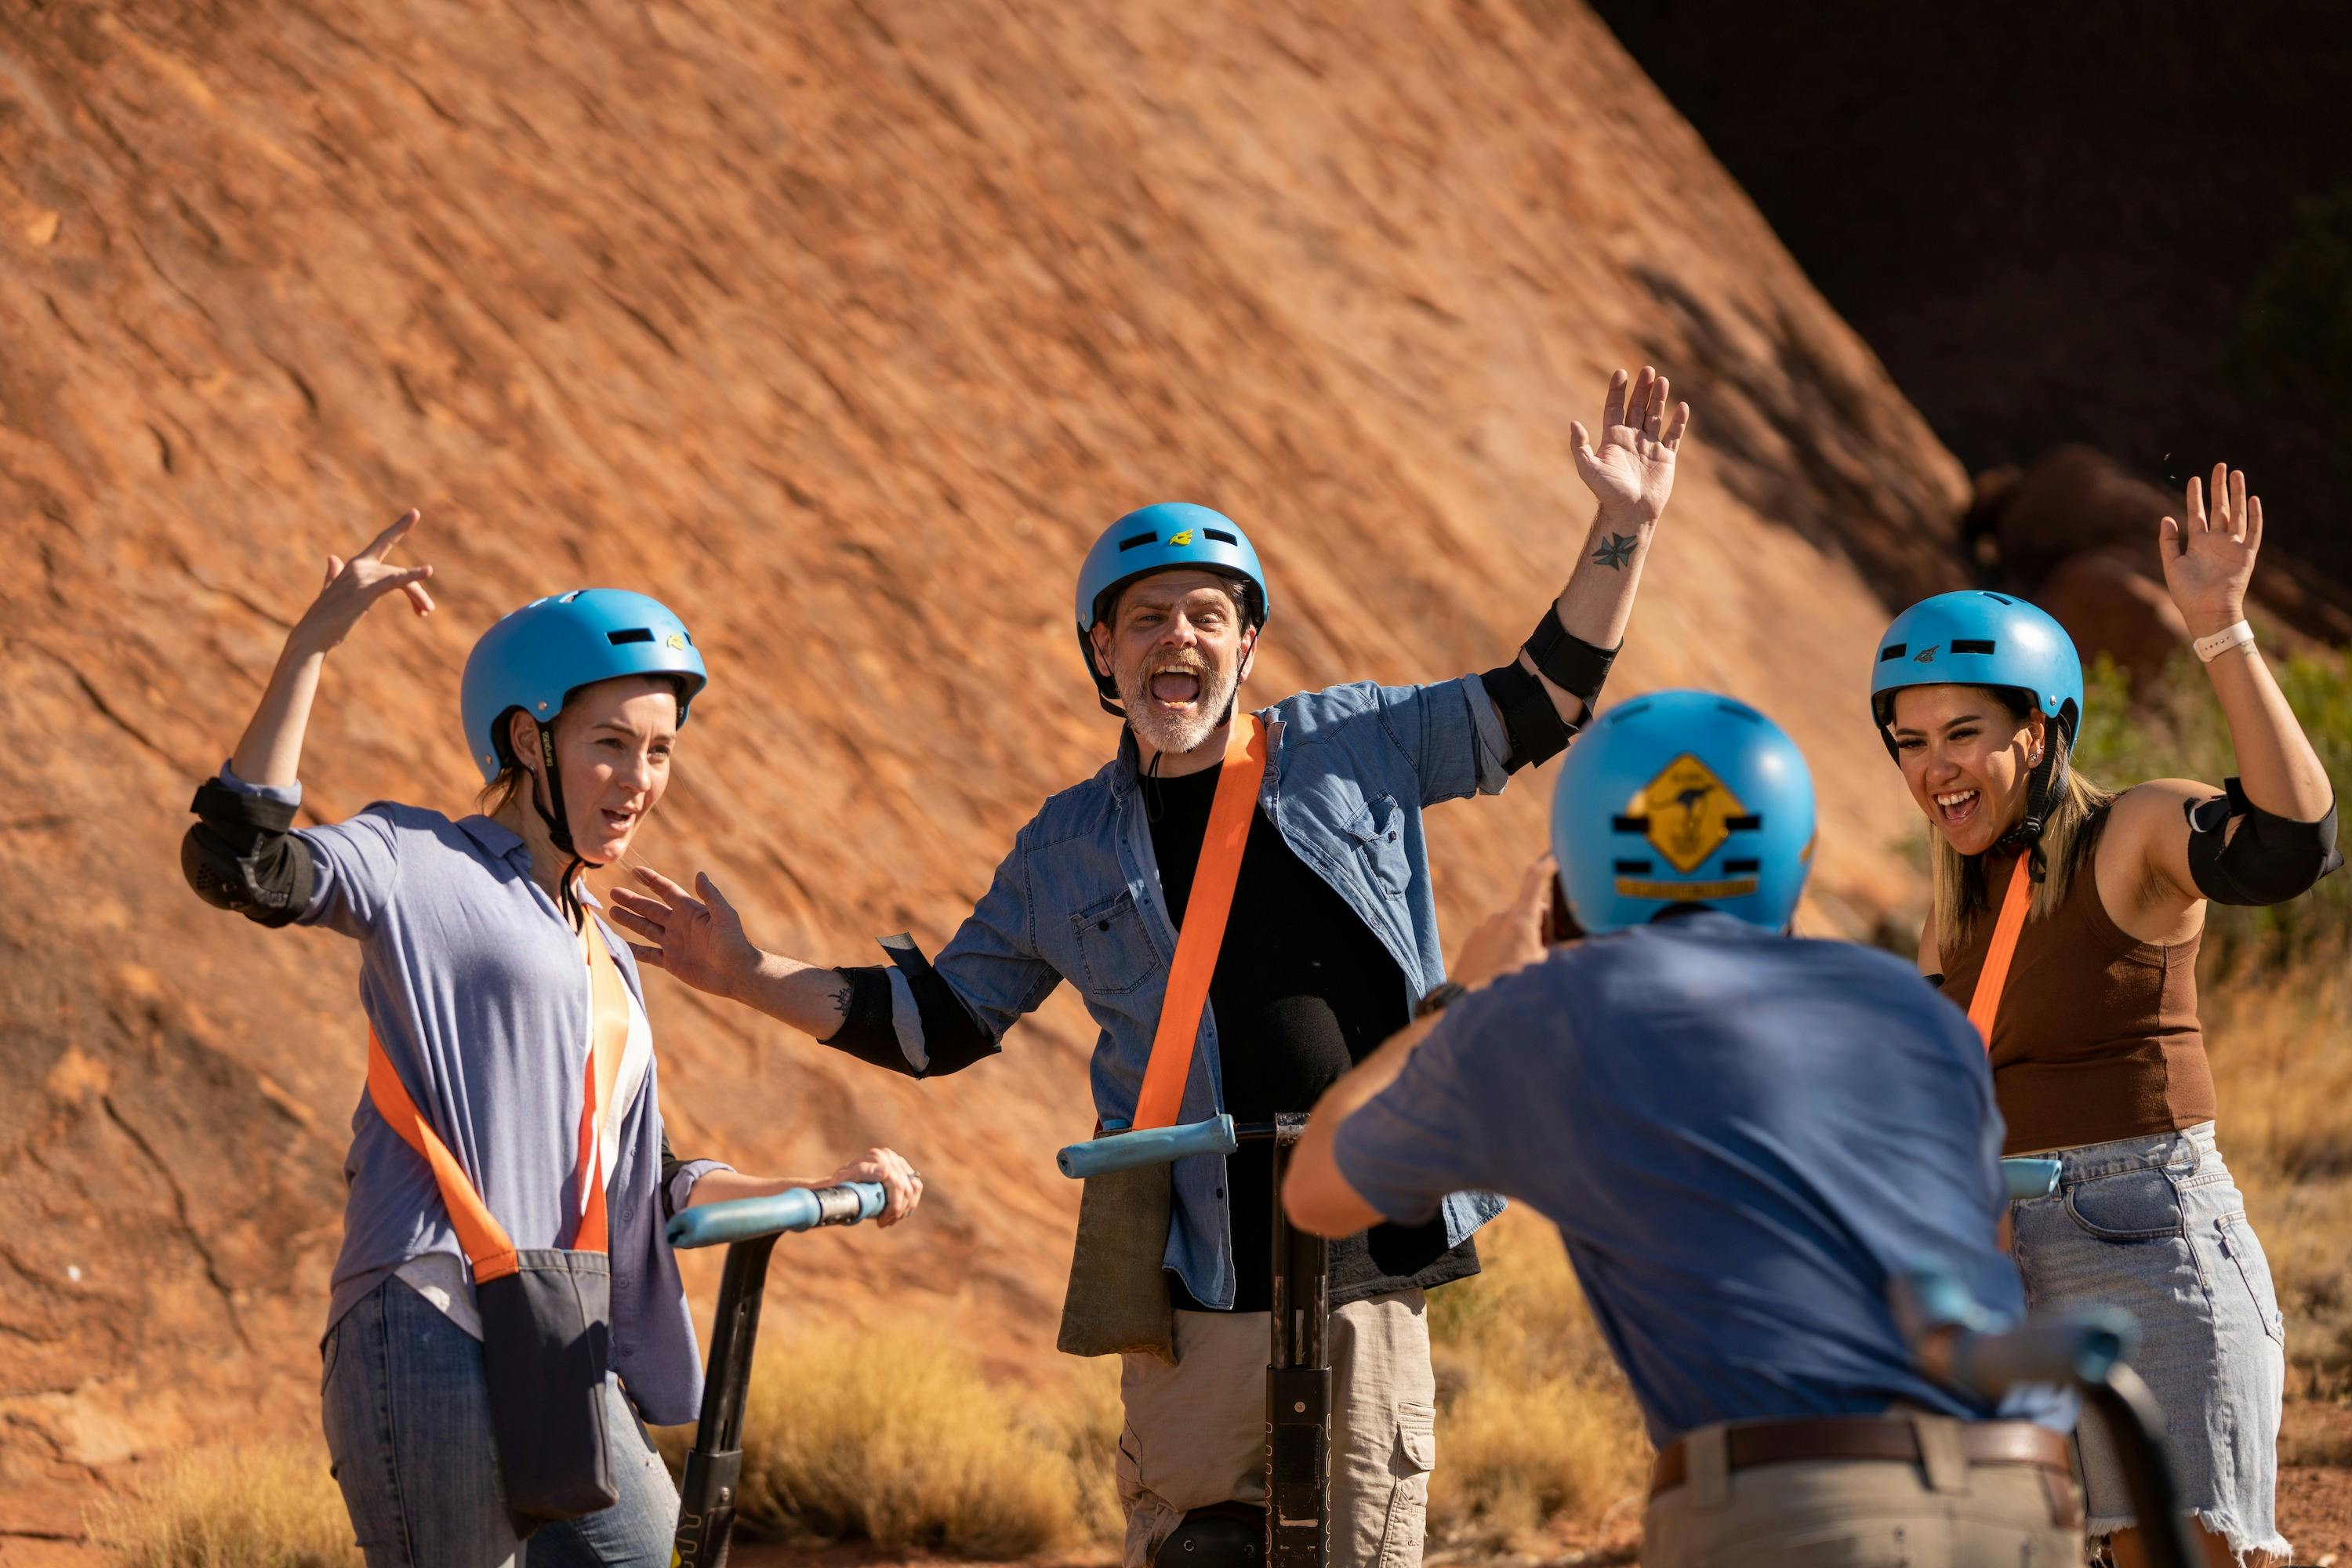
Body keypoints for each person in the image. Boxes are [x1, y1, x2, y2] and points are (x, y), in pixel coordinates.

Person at [610, 368, 1693, 1568]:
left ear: (1247, 640)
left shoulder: (1357, 744)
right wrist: (750, 971)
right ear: (1103, 654)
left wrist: (1623, 527)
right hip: (1196, 1297)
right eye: (1146, 618)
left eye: (1205, 614)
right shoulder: (1066, 847)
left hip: (1369, 1265)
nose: (1177, 637)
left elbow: (1544, 698)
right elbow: (939, 1024)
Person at [179, 511, 924, 1568]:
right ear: (529, 741)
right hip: (427, 1316)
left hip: (561, 1336)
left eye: (659, 751)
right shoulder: (420, 859)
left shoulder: (608, 954)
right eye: (609, 744)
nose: (639, 779)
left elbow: (649, 1188)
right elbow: (240, 866)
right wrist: (311, 645)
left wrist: (819, 1187)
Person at [1282, 689, 2085, 1568]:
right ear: (1794, 858)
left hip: (1789, 1505)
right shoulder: (1908, 1004)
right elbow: (1983, 1239)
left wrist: (1466, 1003)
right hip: (2020, 1496)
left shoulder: (1550, 1013)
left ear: (1577, 872)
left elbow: (1319, 1185)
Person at [1867, 466, 2338, 1567]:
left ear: (2040, 732)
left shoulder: (2134, 835)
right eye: (1910, 740)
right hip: (1997, 1276)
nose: (1934, 767)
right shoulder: (1948, 927)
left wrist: (2220, 632)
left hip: (2146, 1245)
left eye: (1963, 732)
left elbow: (2291, 847)